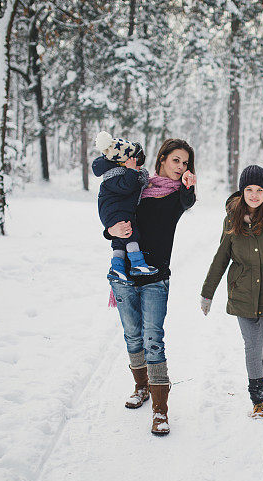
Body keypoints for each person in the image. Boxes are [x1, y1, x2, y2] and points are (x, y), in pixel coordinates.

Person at [106, 139, 197, 435]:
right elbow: (112, 207)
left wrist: (188, 186)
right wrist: (109, 229)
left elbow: (188, 201)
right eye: (176, 160)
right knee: (133, 336)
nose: (180, 166)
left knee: (153, 340)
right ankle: (141, 387)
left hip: (156, 278)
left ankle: (160, 410)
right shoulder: (136, 186)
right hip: (124, 276)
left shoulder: (176, 196)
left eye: (185, 163)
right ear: (161, 159)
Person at [200, 165, 263, 418]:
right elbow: (221, 257)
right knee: (251, 346)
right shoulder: (232, 220)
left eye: (259, 190)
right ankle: (257, 399)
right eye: (249, 190)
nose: (254, 195)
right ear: (241, 192)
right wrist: (207, 292)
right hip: (242, 292)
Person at [94, 131, 158, 283]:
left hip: (112, 212)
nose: (139, 168)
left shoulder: (117, 175)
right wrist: (131, 171)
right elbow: (127, 186)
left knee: (119, 241)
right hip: (115, 212)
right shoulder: (115, 175)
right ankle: (137, 263)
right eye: (137, 164)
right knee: (130, 232)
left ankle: (116, 268)